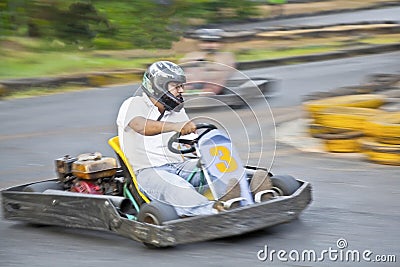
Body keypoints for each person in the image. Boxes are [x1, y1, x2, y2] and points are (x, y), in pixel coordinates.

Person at [117, 61, 272, 217]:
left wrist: (202, 143)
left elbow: (191, 140)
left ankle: (252, 194)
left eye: (181, 86)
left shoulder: (176, 111)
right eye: (176, 86)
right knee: (176, 186)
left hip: (180, 165)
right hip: (149, 173)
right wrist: (174, 126)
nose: (181, 90)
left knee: (216, 167)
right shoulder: (133, 104)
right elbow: (140, 126)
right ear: (159, 87)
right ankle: (215, 210)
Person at [179, 29, 236, 95]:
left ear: (220, 44)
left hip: (218, 92)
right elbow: (183, 73)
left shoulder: (226, 57)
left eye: (214, 42)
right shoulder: (191, 56)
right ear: (200, 43)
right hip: (193, 90)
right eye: (205, 42)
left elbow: (222, 76)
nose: (210, 45)